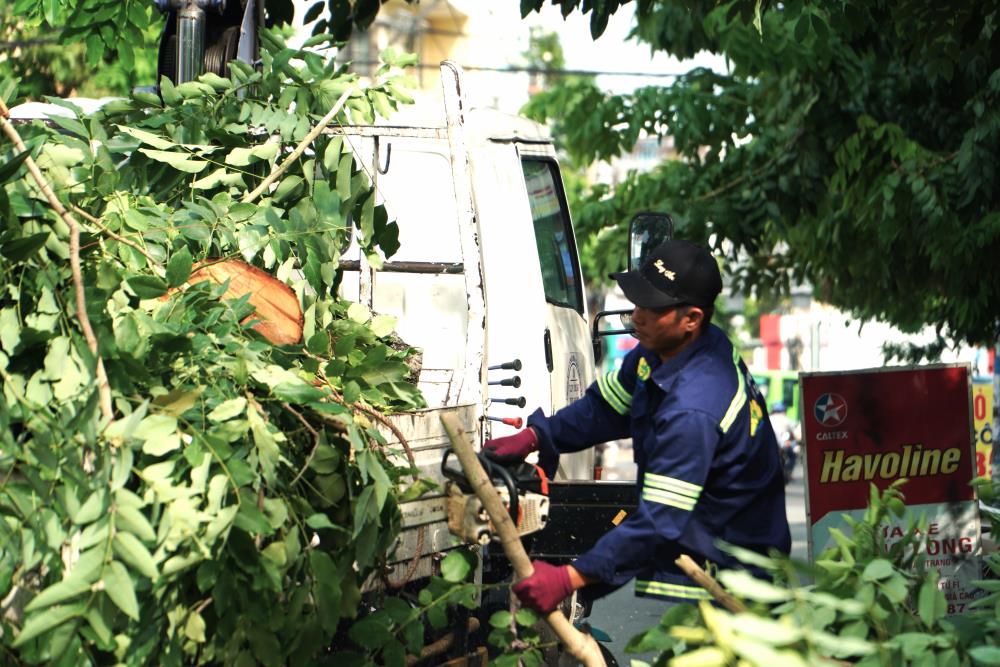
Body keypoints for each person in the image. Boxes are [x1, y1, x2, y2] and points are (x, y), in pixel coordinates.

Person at [484, 239, 791, 613]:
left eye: (652, 307)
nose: (638, 314)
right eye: (637, 301)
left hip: (732, 580)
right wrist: (537, 435)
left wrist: (569, 579)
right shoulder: (666, 350)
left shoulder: (694, 407)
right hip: (709, 553)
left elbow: (660, 522)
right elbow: (603, 408)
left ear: (691, 318)